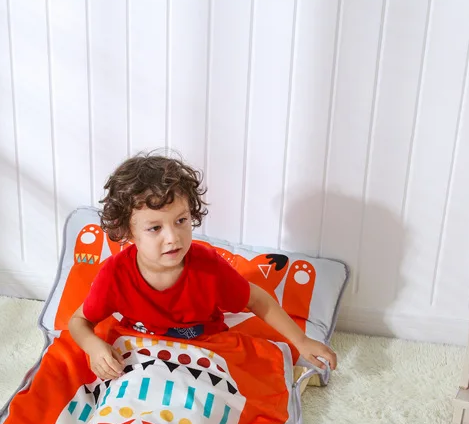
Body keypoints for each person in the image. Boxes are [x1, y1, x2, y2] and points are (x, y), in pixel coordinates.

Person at [68, 153, 338, 381]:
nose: (173, 238)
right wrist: (94, 347)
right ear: (129, 232)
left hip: (205, 352)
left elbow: (257, 299)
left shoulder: (208, 267)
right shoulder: (115, 274)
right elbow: (79, 321)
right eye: (155, 228)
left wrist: (301, 341)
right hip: (142, 352)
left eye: (181, 221)